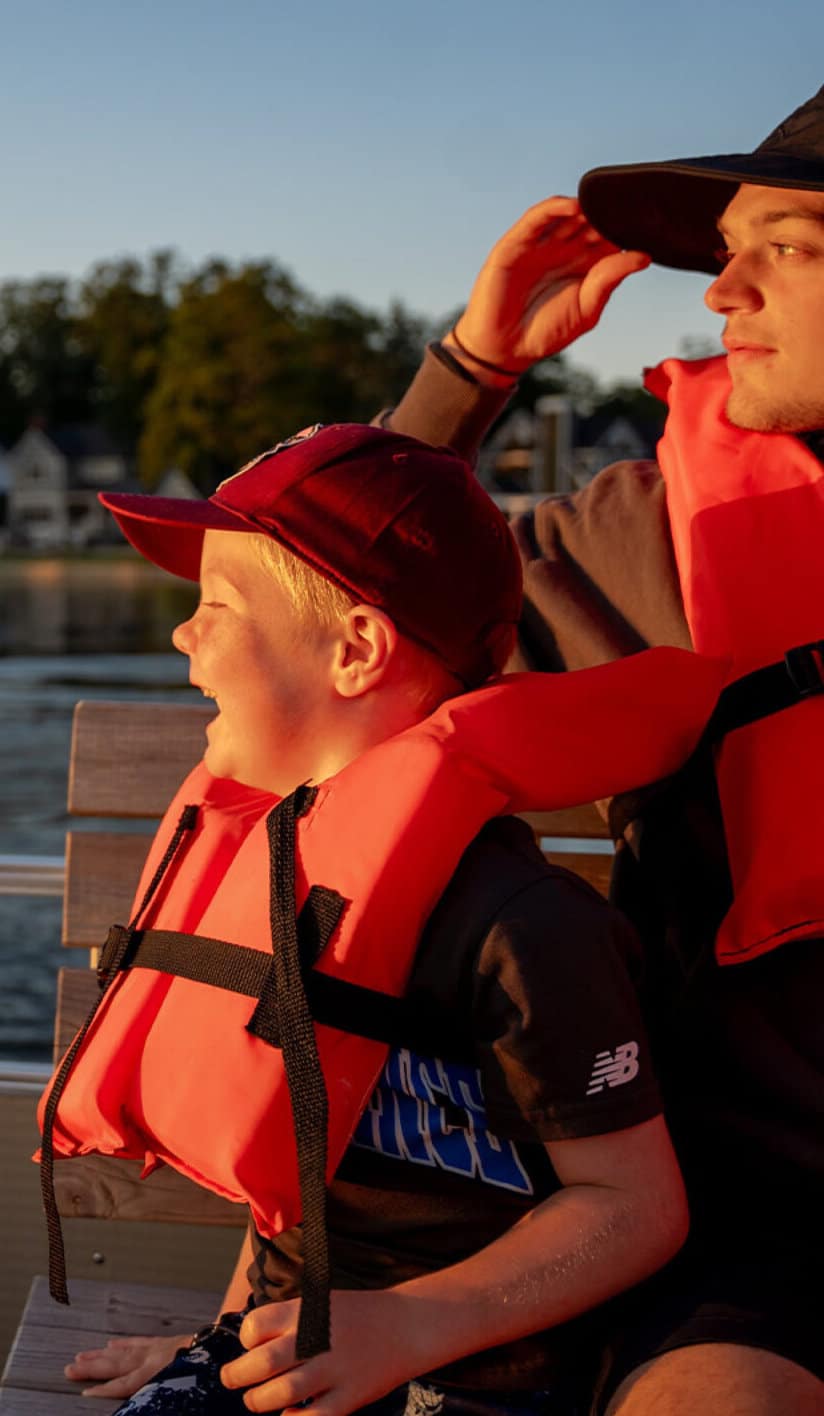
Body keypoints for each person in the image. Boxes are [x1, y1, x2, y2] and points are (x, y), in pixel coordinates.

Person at [49, 423, 719, 1415]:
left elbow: (634, 1210)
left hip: (480, 1375)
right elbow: (283, 1159)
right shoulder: (275, 869)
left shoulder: (527, 932)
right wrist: (221, 1341)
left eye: (216, 608)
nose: (184, 635)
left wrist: (407, 1327)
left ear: (356, 649)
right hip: (291, 1351)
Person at [372, 87, 824, 1416]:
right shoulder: (649, 539)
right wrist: (473, 367)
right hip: (769, 1239)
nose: (724, 289)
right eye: (727, 246)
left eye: (788, 244)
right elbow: (338, 630)